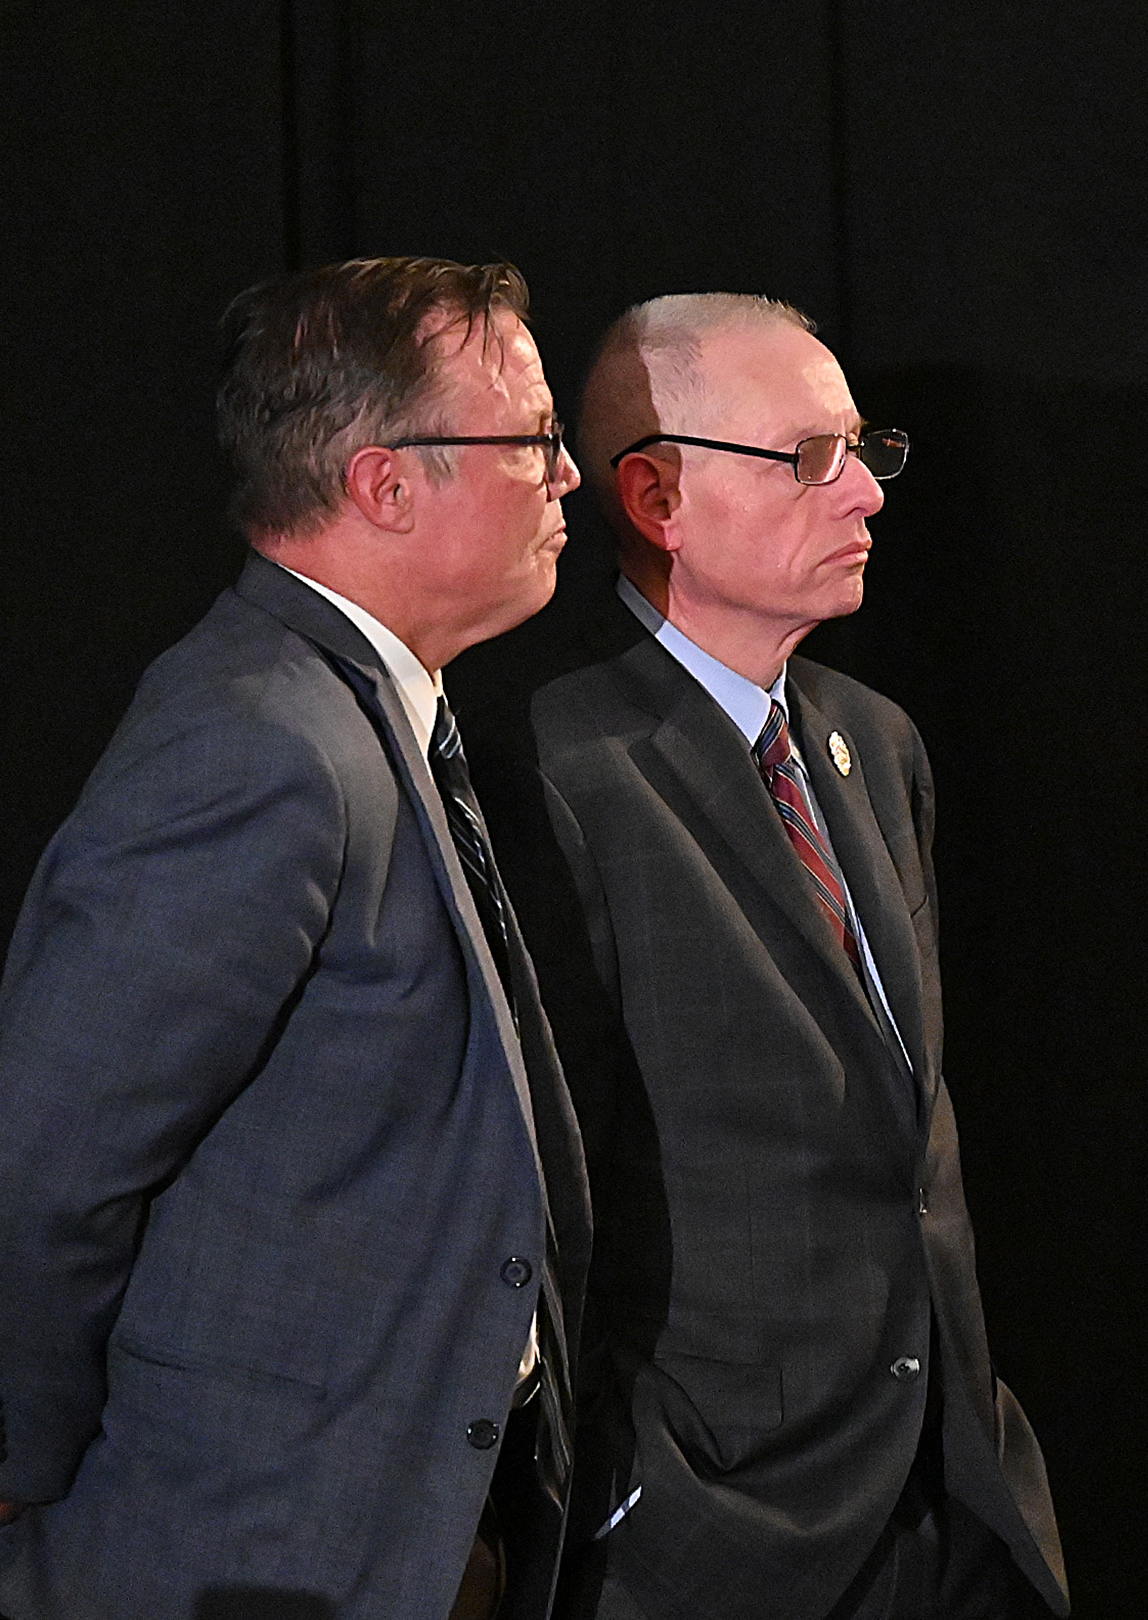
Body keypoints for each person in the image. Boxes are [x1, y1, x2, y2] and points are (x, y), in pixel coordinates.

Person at [448, 293, 1067, 1620]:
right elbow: (538, 1198)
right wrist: (635, 1496)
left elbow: (905, 1144)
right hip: (711, 1539)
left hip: (946, 1510)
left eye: (865, 452)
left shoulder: (874, 741)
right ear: (658, 496)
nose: (864, 500)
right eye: (808, 458)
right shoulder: (554, 771)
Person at [0, 257, 591, 1620]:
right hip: (245, 1559)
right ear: (386, 484)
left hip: (393, 1540)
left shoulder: (372, 711)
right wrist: (21, 1461)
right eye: (534, 438)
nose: (567, 478)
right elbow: (46, 1158)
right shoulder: (260, 742)